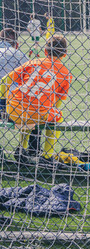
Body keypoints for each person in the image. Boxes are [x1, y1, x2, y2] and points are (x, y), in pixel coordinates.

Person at [0, 35, 72, 167]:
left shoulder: (32, 62)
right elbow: (57, 103)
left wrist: (4, 103)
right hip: (39, 113)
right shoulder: (65, 73)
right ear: (65, 54)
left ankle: (22, 148)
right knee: (57, 117)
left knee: (27, 110)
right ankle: (47, 155)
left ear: (45, 51)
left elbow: (4, 81)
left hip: (14, 109)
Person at [0, 28, 41, 156]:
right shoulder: (19, 55)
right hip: (15, 103)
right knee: (35, 113)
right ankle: (32, 150)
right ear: (15, 43)